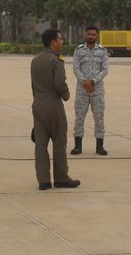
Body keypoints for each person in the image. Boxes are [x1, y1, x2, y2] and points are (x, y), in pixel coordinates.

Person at [30, 28, 80, 191]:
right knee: (59, 142)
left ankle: (43, 180)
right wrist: (66, 94)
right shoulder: (56, 61)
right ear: (53, 42)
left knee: (40, 145)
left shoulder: (35, 61)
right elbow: (59, 83)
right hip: (53, 105)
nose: (62, 42)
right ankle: (61, 178)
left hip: (38, 105)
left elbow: (33, 86)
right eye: (60, 39)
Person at [71, 26, 110, 156]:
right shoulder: (79, 50)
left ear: (97, 36)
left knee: (99, 118)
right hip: (82, 90)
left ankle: (100, 147)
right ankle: (77, 146)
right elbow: (76, 68)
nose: (91, 37)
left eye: (93, 34)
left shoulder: (103, 51)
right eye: (88, 34)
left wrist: (93, 81)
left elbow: (105, 69)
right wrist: (85, 82)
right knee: (79, 117)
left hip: (97, 90)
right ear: (85, 35)